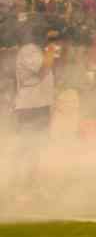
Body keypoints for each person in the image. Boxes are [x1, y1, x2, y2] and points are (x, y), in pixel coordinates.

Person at [12, 25, 55, 198]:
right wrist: (51, 50)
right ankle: (18, 188)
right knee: (27, 148)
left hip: (39, 105)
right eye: (47, 36)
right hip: (30, 106)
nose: (48, 39)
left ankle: (31, 187)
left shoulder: (35, 50)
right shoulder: (28, 50)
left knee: (36, 148)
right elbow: (44, 67)